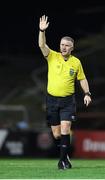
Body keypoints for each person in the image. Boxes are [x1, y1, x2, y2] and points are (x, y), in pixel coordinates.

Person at [38, 15, 92, 170]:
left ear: (72, 48)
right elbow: (42, 45)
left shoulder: (76, 62)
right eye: (62, 44)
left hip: (68, 101)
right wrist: (42, 31)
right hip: (52, 100)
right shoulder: (52, 56)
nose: (63, 47)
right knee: (56, 134)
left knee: (66, 127)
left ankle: (63, 161)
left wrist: (87, 93)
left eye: (67, 45)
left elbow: (82, 79)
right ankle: (65, 154)